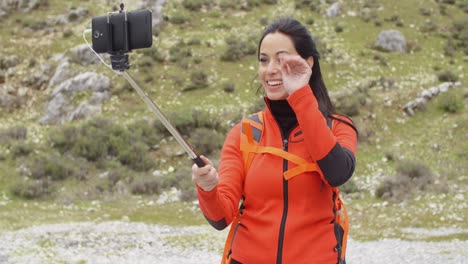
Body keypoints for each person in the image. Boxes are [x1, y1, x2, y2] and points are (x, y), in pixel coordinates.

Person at [191, 17, 358, 264]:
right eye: (264, 60)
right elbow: (220, 218)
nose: (270, 69)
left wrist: (301, 95)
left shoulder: (338, 127)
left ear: (308, 63)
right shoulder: (244, 133)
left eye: (282, 59)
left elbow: (337, 173)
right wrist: (207, 189)